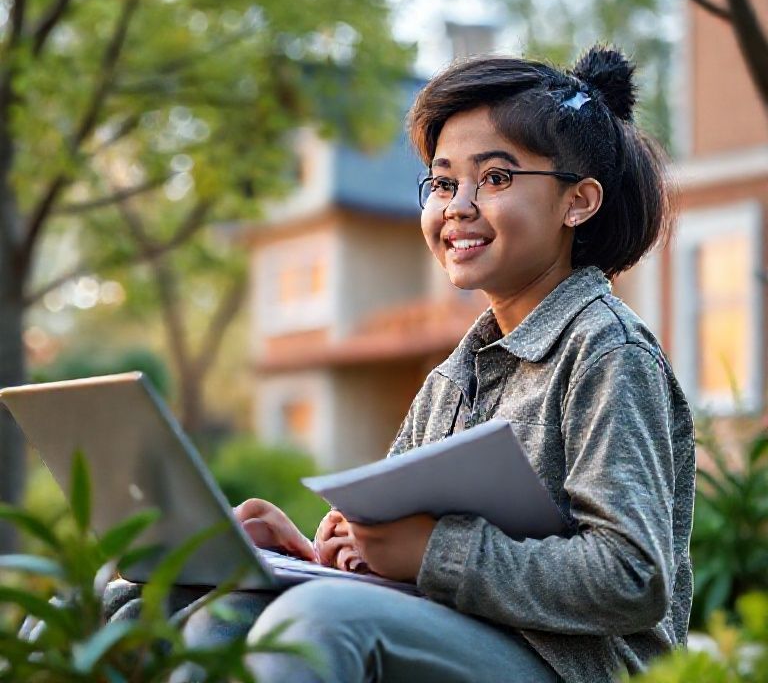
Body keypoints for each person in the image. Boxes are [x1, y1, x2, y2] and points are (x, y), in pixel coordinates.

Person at [105, 45, 695, 683]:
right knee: (178, 608)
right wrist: (308, 552)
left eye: (495, 178)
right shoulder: (452, 379)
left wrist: (433, 552)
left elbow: (633, 576)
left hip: (576, 667)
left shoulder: (607, 351)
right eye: (443, 182)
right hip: (455, 634)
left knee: (323, 624)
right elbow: (380, 551)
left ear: (577, 203)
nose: (458, 206)